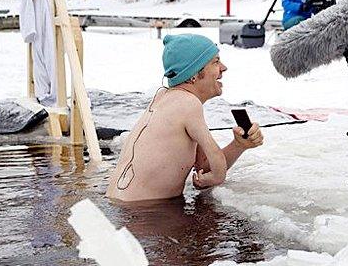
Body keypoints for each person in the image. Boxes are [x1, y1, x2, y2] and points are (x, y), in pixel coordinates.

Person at [106, 34, 264, 202]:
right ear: (193, 74)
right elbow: (216, 163)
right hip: (146, 212)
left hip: (121, 204)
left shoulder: (163, 98)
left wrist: (239, 145)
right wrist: (216, 178)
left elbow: (203, 165)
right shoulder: (189, 104)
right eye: (215, 62)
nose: (224, 68)